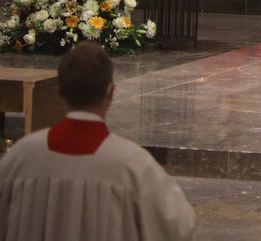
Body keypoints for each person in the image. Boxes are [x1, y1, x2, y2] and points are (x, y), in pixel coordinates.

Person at [0, 42, 195, 240]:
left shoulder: (20, 157)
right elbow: (179, 226)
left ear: (61, 92)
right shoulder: (133, 165)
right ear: (110, 93)